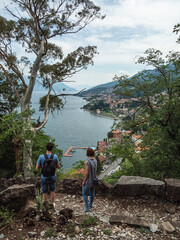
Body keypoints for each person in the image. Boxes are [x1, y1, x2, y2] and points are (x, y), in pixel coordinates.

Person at [36, 142, 60, 208]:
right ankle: (52, 203)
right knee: (52, 190)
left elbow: (37, 168)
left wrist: (42, 167)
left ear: (46, 148)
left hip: (44, 177)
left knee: (44, 191)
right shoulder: (55, 156)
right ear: (52, 148)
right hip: (53, 176)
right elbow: (58, 166)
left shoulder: (41, 157)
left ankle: (44, 204)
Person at [82, 147, 97, 212]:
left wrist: (84, 181)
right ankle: (90, 204)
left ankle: (87, 208)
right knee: (92, 193)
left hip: (88, 180)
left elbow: (87, 173)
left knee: (84, 193)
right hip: (94, 179)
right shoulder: (95, 161)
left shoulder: (87, 162)